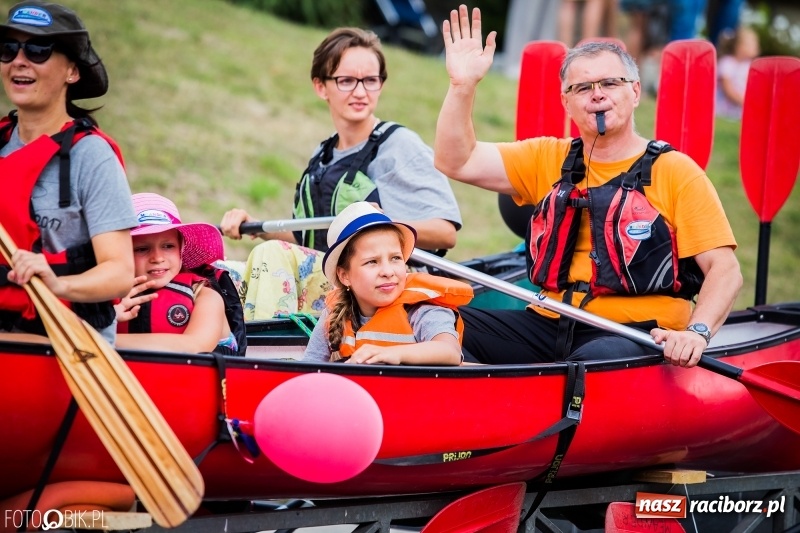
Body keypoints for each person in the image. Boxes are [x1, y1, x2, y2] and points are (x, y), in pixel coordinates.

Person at [433, 5, 742, 368]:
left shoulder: (676, 171)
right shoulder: (547, 156)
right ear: (566, 102)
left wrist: (697, 332)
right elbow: (456, 160)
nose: (597, 94)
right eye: (582, 87)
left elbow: (726, 271)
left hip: (635, 333)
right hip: (549, 323)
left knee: (587, 363)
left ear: (635, 92)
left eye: (610, 83)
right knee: (438, 324)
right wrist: (462, 86)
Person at [219, 27, 462, 321]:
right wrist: (255, 227)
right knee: (221, 273)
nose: (360, 92)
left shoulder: (398, 146)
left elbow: (445, 232)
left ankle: (267, 358)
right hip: (333, 275)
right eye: (346, 81)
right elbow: (310, 238)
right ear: (321, 87)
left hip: (381, 289)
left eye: (370, 81)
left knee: (272, 255)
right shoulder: (323, 154)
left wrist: (383, 223)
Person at [0, 1, 136, 344]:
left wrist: (60, 285)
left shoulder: (92, 156)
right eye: (8, 49)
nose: (19, 60)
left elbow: (120, 273)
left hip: (68, 340)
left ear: (72, 72)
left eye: (38, 50)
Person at [302, 202, 471, 365]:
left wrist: (391, 353)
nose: (388, 272)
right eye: (372, 262)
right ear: (345, 275)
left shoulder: (421, 309)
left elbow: (450, 351)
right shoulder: (333, 315)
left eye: (395, 258)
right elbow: (309, 370)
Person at [115, 193, 245, 355]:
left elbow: (194, 345)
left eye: (168, 246)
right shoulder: (111, 295)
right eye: (142, 249)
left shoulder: (205, 294)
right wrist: (110, 319)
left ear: (181, 250)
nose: (157, 258)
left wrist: (104, 338)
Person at [715, 26, 759, 120]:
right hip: (725, 110)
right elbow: (727, 88)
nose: (756, 47)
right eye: (752, 44)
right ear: (739, 47)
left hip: (740, 109)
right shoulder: (727, 63)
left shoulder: (750, 66)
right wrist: (743, 101)